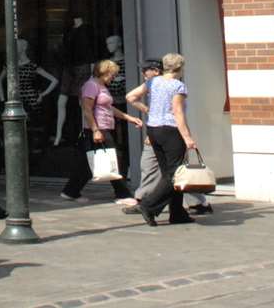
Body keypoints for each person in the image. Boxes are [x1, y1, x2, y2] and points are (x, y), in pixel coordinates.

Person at [130, 52, 198, 227]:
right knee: (175, 174)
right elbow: (178, 112)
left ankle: (177, 213)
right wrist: (188, 138)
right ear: (179, 67)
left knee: (168, 172)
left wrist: (148, 111)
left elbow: (131, 97)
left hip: (153, 130)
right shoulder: (178, 86)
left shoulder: (154, 81)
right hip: (171, 131)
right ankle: (148, 205)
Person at [61, 59, 139, 202]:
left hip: (103, 128)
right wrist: (96, 130)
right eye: (112, 74)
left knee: (87, 163)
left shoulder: (101, 86)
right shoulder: (91, 85)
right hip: (98, 129)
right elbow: (87, 110)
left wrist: (129, 118)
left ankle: (70, 191)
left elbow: (108, 108)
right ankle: (123, 194)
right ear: (104, 72)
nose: (114, 77)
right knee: (113, 160)